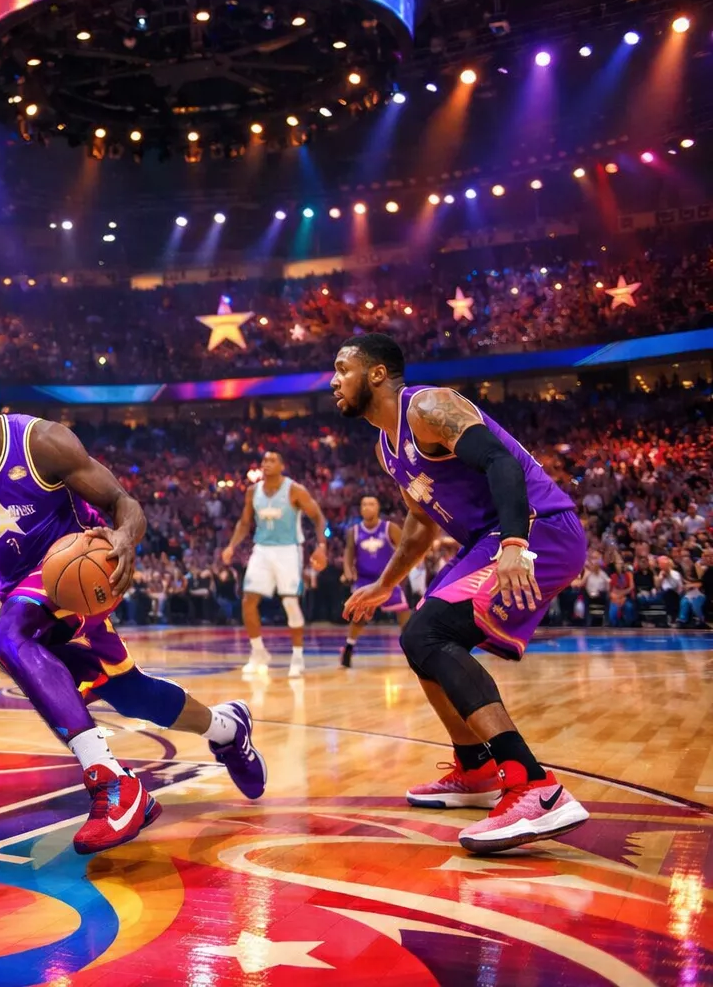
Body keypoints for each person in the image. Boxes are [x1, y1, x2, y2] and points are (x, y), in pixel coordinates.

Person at [0, 346, 264, 856]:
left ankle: (113, 783)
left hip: (76, 570)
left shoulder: (42, 441)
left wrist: (125, 538)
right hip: (25, 589)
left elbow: (124, 503)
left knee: (6, 638)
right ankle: (228, 728)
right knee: (129, 693)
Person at [332, 333, 589, 854]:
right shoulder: (386, 447)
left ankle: (534, 786)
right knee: (417, 641)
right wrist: (385, 583)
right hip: (486, 540)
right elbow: (420, 525)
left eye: (342, 369)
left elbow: (501, 462)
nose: (334, 381)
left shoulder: (428, 407)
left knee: (430, 633)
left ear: (376, 374)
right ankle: (476, 770)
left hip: (539, 528)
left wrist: (515, 543)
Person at [221, 452, 328, 678]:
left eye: (272, 461)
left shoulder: (295, 490)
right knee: (248, 600)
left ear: (282, 466)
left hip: (288, 550)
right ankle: (258, 652)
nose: (267, 464)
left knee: (290, 602)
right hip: (262, 549)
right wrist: (231, 546)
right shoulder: (253, 491)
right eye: (264, 461)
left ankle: (297, 657)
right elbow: (244, 522)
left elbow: (318, 516)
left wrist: (321, 545)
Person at [340, 495, 411, 667]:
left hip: (387, 580)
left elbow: (405, 549)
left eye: (371, 504)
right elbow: (349, 554)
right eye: (364, 504)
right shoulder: (354, 531)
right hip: (364, 580)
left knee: (403, 612)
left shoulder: (389, 528)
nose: (367, 507)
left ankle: (412, 648)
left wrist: (401, 574)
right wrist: (348, 572)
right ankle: (348, 648)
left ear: (378, 508)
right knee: (359, 616)